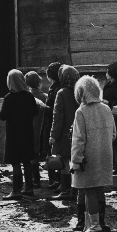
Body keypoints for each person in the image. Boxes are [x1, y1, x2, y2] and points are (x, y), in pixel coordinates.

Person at [70, 75, 116, 232]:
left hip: (88, 156)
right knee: (99, 188)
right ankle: (101, 222)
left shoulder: (81, 112)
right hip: (105, 154)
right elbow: (114, 134)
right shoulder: (106, 109)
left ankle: (94, 224)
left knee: (89, 190)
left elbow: (78, 139)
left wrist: (76, 160)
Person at [0, 70, 39, 199]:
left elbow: (3, 116)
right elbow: (35, 112)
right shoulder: (29, 96)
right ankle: (29, 188)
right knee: (27, 161)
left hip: (13, 133)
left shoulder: (9, 98)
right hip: (27, 132)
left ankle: (16, 189)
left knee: (15, 161)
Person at [49, 64, 79, 200]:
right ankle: (73, 187)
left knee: (64, 161)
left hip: (64, 132)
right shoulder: (80, 91)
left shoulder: (62, 93)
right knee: (76, 161)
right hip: (78, 131)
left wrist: (53, 136)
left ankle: (66, 189)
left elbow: (58, 117)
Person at [40, 62, 63, 188]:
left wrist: (44, 107)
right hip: (52, 123)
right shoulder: (57, 87)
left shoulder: (57, 90)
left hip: (52, 124)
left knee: (54, 152)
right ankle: (56, 179)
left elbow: (55, 109)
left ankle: (56, 180)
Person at [25, 71, 47, 187]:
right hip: (42, 128)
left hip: (29, 129)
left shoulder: (26, 97)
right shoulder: (44, 97)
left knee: (31, 157)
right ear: (39, 83)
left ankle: (35, 179)